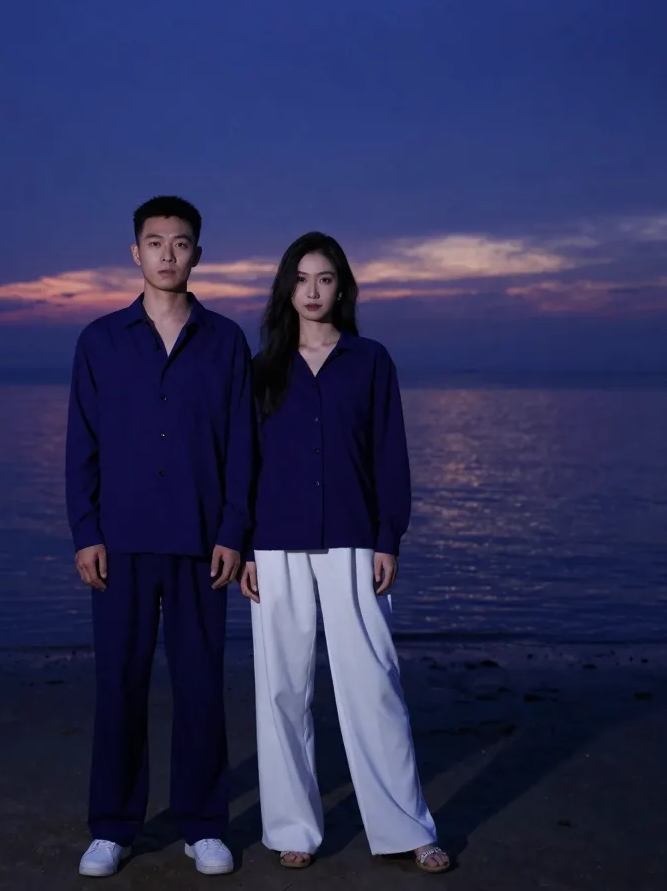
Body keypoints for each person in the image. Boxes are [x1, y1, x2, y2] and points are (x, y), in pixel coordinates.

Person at [239, 231, 450, 873]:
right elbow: (243, 462)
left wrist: (390, 536)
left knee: (373, 685)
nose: (312, 291)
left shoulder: (370, 360)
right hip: (273, 542)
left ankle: (407, 827)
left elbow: (390, 454)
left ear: (342, 287)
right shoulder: (261, 368)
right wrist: (246, 547)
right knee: (282, 689)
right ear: (286, 287)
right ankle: (293, 829)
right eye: (301, 279)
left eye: (325, 278)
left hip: (355, 538)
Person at [66, 196, 254, 878]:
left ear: (198, 253)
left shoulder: (227, 341)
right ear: (135, 253)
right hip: (121, 540)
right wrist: (85, 531)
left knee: (201, 684)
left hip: (202, 542)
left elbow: (242, 445)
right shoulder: (99, 340)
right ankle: (114, 826)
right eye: (155, 242)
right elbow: (80, 444)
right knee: (120, 682)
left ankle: (204, 823)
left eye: (181, 243)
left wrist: (234, 531)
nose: (168, 254)